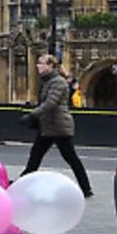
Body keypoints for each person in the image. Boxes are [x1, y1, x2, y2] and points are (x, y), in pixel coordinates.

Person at [22, 53, 92, 197]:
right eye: (38, 63)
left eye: (41, 63)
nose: (38, 66)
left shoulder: (58, 82)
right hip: (48, 126)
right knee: (35, 155)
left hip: (59, 126)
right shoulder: (48, 81)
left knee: (70, 158)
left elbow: (50, 103)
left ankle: (86, 188)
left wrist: (32, 114)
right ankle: (22, 183)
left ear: (50, 66)